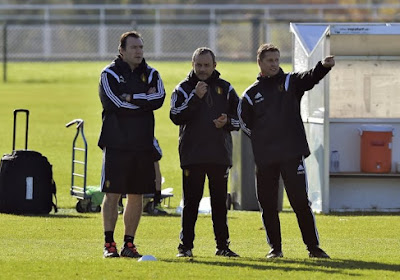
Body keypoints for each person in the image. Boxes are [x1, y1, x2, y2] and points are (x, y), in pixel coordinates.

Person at [238, 43, 335, 259]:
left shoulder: (290, 82)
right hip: (265, 158)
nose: (274, 64)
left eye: (276, 60)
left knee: (300, 201)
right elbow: (243, 123)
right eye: (270, 61)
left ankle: (313, 248)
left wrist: (323, 67)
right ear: (260, 63)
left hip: (292, 154)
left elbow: (309, 78)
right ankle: (275, 249)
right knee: (269, 205)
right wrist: (263, 139)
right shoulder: (250, 95)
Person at [98, 30, 165, 258]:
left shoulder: (152, 74)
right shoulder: (109, 74)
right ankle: (109, 244)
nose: (138, 51)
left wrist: (131, 97)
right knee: (113, 193)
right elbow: (114, 103)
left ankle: (129, 244)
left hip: (142, 144)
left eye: (141, 47)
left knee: (136, 194)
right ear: (122, 50)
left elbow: (159, 99)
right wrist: (142, 102)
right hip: (116, 143)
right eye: (133, 47)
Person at [170, 47, 241, 258]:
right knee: (191, 203)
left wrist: (227, 121)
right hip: (192, 155)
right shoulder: (182, 89)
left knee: (220, 204)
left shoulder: (226, 89)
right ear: (192, 65)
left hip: (219, 155)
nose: (202, 69)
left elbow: (242, 119)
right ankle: (185, 247)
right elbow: (175, 116)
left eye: (206, 65)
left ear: (214, 65)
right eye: (198, 65)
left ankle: (223, 247)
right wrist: (195, 97)